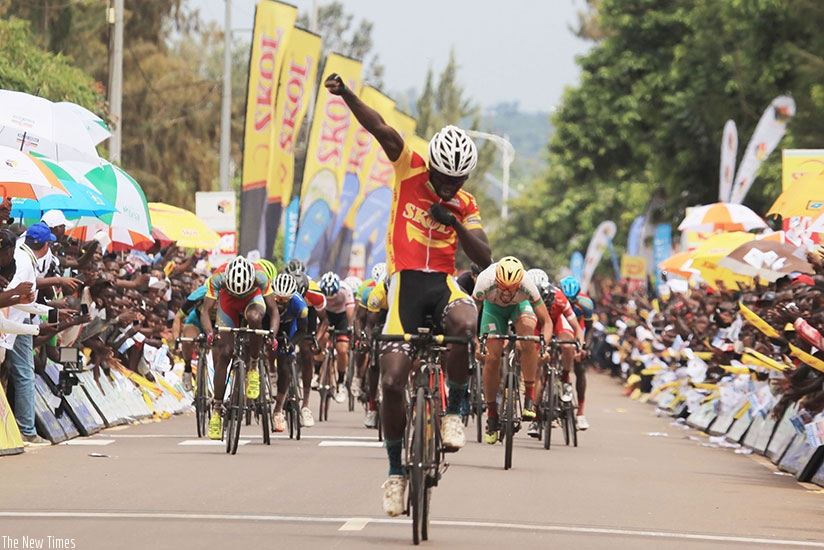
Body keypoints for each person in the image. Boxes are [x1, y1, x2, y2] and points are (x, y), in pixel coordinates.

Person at [325, 72, 492, 517]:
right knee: (393, 381)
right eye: (443, 177)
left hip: (441, 283)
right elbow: (379, 126)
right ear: (432, 164)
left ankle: (455, 409)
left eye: (457, 181)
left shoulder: (466, 203)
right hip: (403, 284)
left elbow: (483, 254)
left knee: (464, 322)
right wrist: (347, 95)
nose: (447, 186)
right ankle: (396, 472)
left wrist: (453, 218)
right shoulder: (410, 165)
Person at [472, 257, 553, 444]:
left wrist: (543, 348)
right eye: (503, 288)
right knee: (491, 358)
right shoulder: (484, 281)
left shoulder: (527, 284)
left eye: (512, 289)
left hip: (520, 307)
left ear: (519, 283)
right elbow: (469, 318)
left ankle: (530, 397)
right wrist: (476, 344)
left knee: (527, 333)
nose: (507, 294)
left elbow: (547, 322)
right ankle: (492, 415)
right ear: (496, 281)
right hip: (493, 311)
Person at [200, 256, 279, 440]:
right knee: (225, 353)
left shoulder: (260, 275)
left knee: (255, 318)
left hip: (253, 301)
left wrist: (272, 335)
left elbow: (274, 311)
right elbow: (205, 312)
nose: (239, 293)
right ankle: (217, 410)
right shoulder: (217, 277)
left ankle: (253, 365)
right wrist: (211, 333)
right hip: (227, 304)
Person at [2, 222, 62, 445]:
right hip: (11, 324)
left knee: (17, 375)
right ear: (46, 246)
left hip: (14, 323)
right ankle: (26, 429)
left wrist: (51, 310)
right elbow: (12, 297)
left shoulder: (21, 255)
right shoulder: (24, 263)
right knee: (25, 374)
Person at [269, 272, 308, 432]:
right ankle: (270, 372)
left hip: (289, 328)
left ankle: (278, 410)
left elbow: (302, 330)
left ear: (290, 298)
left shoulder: (300, 306)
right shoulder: (267, 299)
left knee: (285, 364)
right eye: (277, 298)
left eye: (284, 300)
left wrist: (291, 344)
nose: (279, 302)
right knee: (267, 345)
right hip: (269, 321)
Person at [559, 276, 594, 430]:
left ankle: (580, 413)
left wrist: (584, 347)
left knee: (580, 367)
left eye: (572, 301)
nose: (570, 304)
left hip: (576, 328)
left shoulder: (586, 304)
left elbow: (589, 327)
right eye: (567, 300)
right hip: (557, 325)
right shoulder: (554, 300)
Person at [317, 271, 356, 404]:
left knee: (342, 349)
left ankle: (340, 383)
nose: (330, 301)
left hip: (342, 317)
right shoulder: (318, 289)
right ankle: (317, 372)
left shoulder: (345, 290)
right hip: (326, 315)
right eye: (327, 298)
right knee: (320, 339)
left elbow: (351, 313)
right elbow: (317, 313)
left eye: (333, 298)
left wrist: (350, 328)